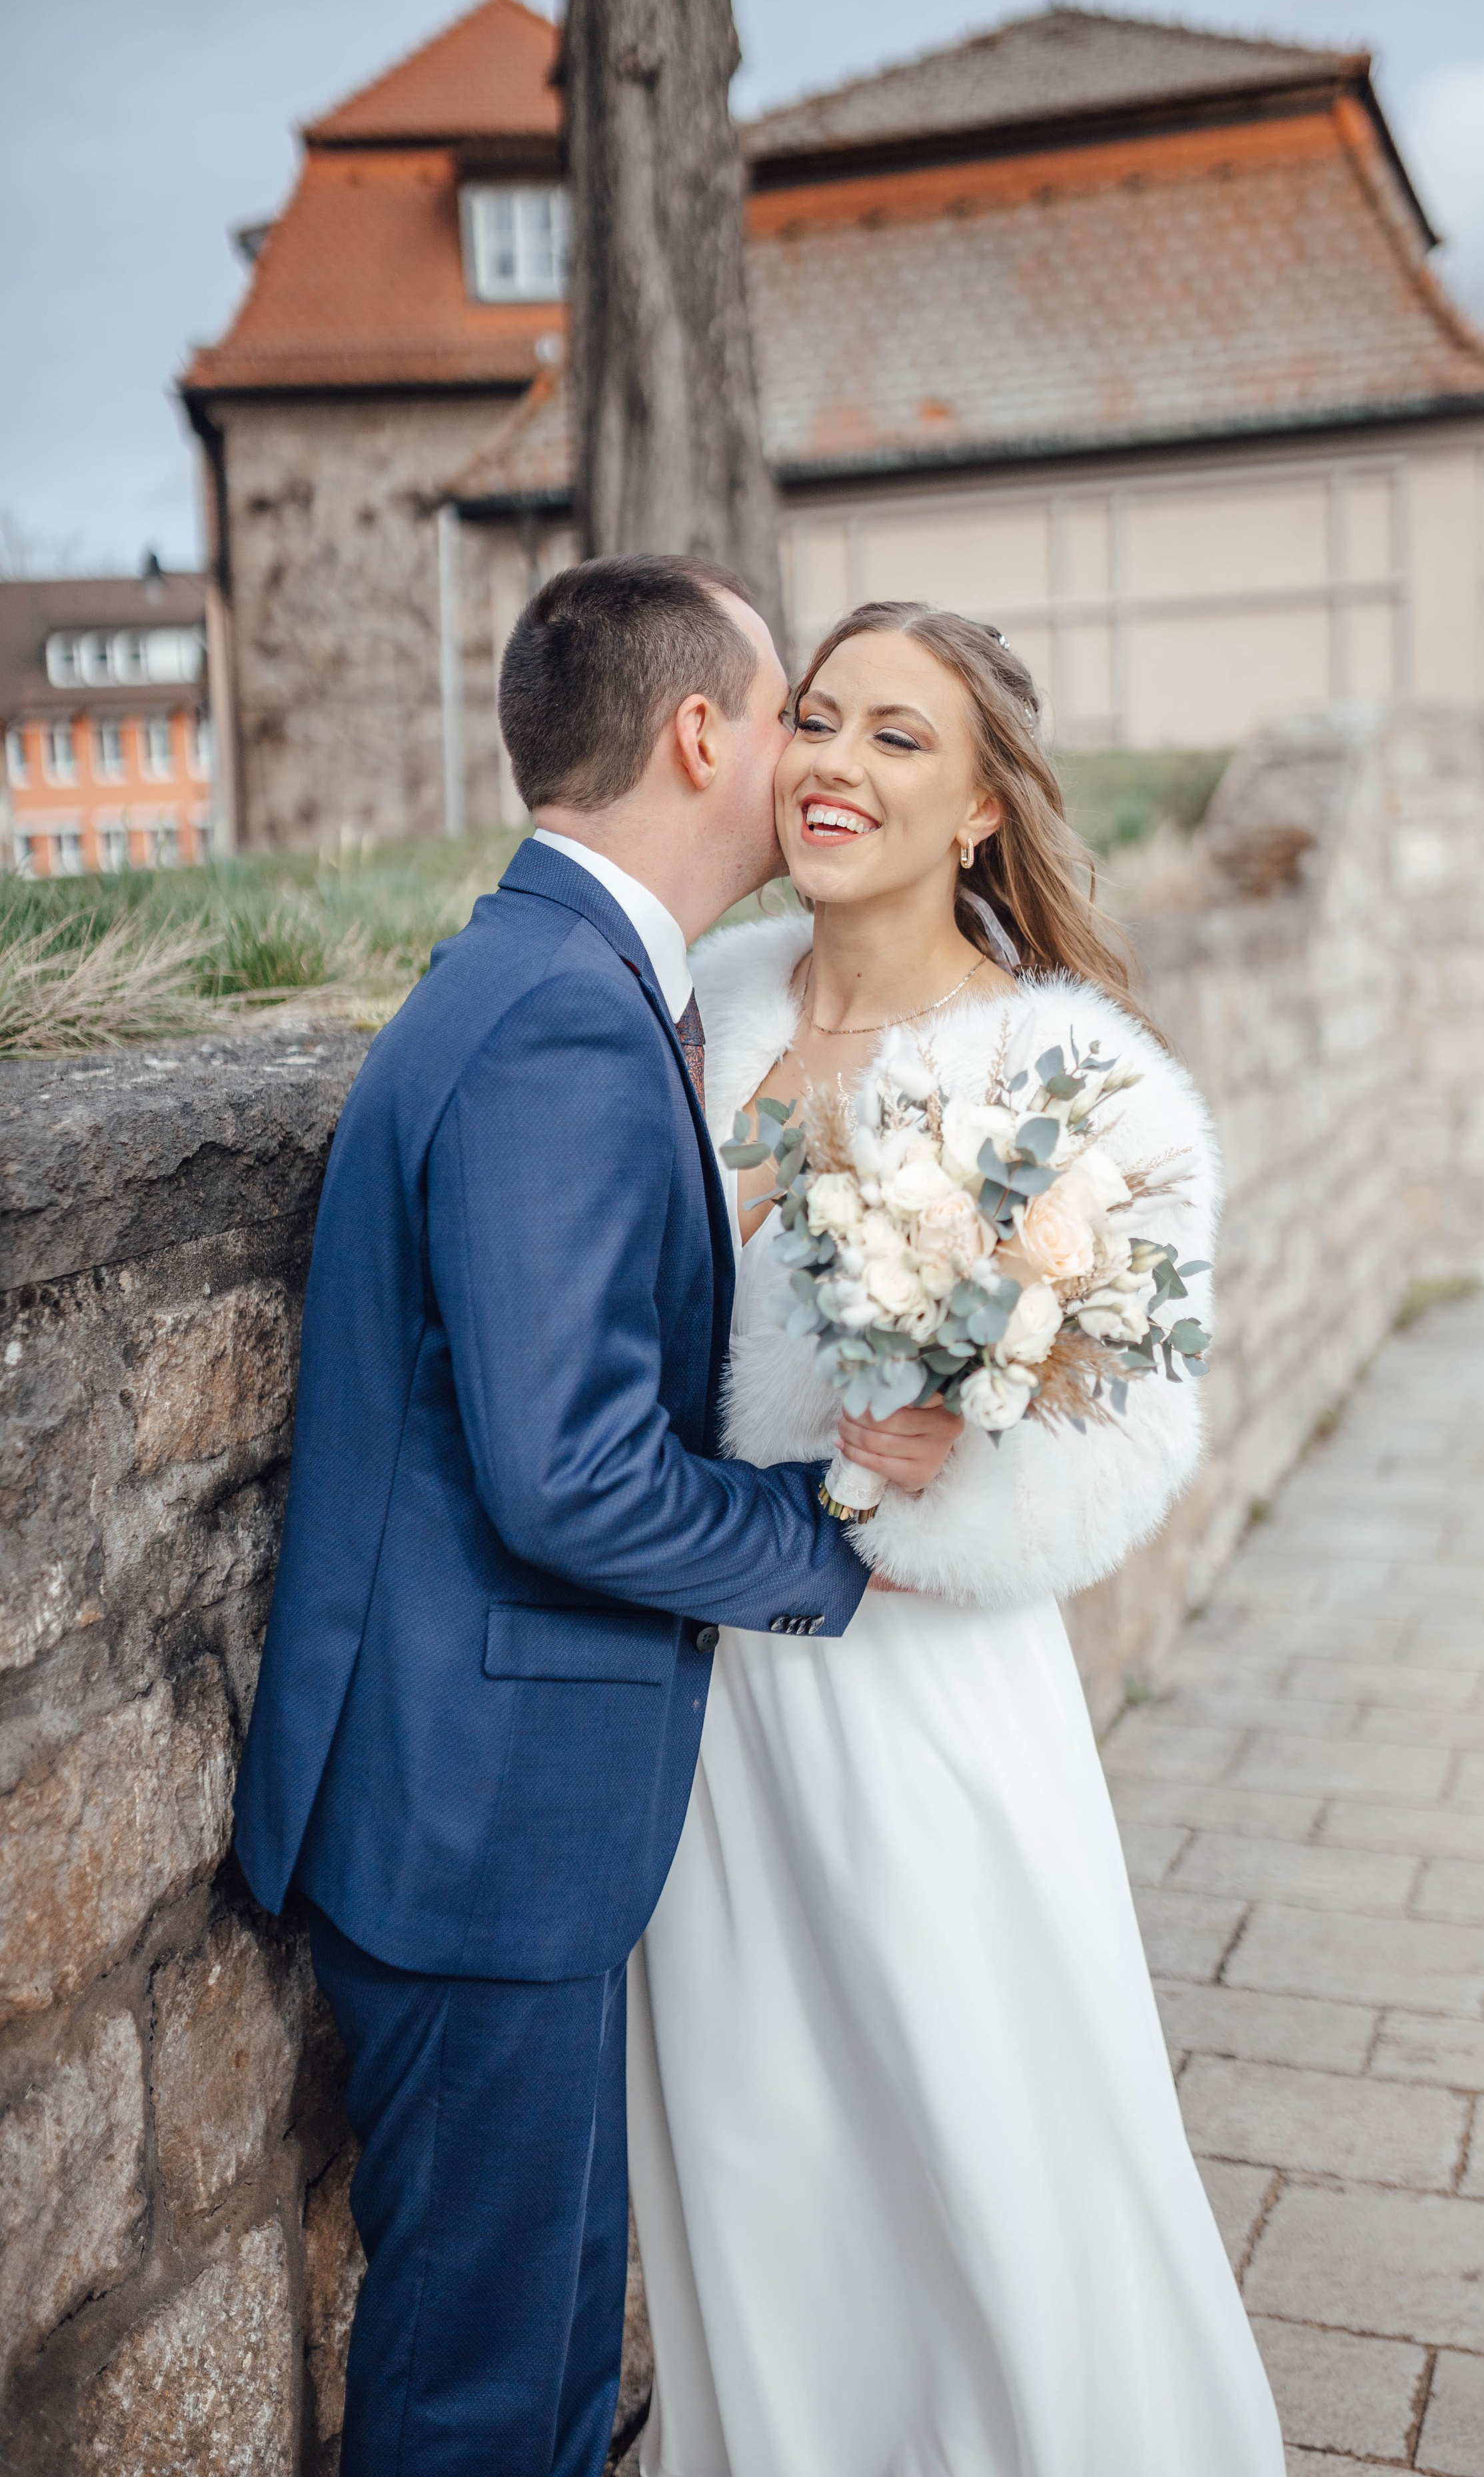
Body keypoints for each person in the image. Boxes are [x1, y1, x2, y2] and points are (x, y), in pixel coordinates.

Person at [231, 557, 962, 2477]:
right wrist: (822, 1540)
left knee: (545, 2361)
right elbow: (569, 1469)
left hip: (491, 1811)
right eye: (792, 704)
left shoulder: (573, 974)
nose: (813, 743)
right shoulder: (563, 1010)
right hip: (477, 1825)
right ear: (699, 731)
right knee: (487, 2391)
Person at [628, 601, 1285, 2476]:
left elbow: (1135, 1428)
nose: (837, 764)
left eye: (901, 739)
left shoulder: (1069, 1078)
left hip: (924, 1700)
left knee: (984, 2152)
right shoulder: (705, 1013)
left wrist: (949, 1473)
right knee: (765, 2165)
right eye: (818, 720)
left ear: (984, 807)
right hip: (715, 1716)